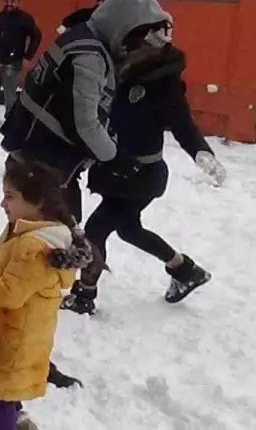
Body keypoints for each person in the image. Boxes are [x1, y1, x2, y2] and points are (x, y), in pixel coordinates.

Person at [62, 31, 225, 315]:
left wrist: (200, 150)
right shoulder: (119, 69)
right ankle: (185, 270)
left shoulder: (164, 82)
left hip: (141, 174)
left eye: (141, 44)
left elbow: (182, 122)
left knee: (96, 229)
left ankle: (85, 296)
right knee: (128, 229)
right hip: (117, 168)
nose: (132, 48)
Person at [1, 0, 172, 222]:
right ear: (121, 28)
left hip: (35, 154)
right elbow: (84, 122)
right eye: (134, 39)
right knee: (50, 238)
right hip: (42, 161)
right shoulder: (89, 55)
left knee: (42, 232)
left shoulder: (82, 38)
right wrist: (115, 158)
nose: (132, 49)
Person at [0, 159, 90, 430]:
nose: (3, 204)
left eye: (10, 197)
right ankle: (16, 419)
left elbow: (10, 293)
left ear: (37, 201)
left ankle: (10, 422)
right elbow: (1, 261)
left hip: (13, 342)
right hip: (4, 332)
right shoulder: (22, 230)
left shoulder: (35, 246)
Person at [0, 0, 42, 128]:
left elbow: (36, 37)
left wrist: (28, 56)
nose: (9, 4)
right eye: (7, 1)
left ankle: (10, 121)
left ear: (18, 2)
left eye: (12, 1)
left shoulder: (25, 19)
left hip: (13, 63)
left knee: (10, 95)